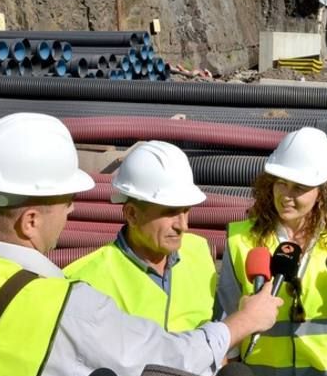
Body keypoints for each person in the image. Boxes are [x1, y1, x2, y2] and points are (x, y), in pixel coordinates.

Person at [0, 113, 282, 376]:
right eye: (66, 200)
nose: (71, 210)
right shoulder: (66, 305)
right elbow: (166, 361)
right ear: (30, 221)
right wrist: (241, 323)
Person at [216, 127, 327, 376]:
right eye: (281, 182)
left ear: (322, 191)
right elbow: (226, 326)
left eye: (299, 187)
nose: (286, 195)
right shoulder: (241, 240)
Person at [64, 141, 216, 332]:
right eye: (170, 212)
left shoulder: (198, 250)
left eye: (186, 211)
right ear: (132, 214)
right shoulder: (85, 280)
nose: (183, 226)